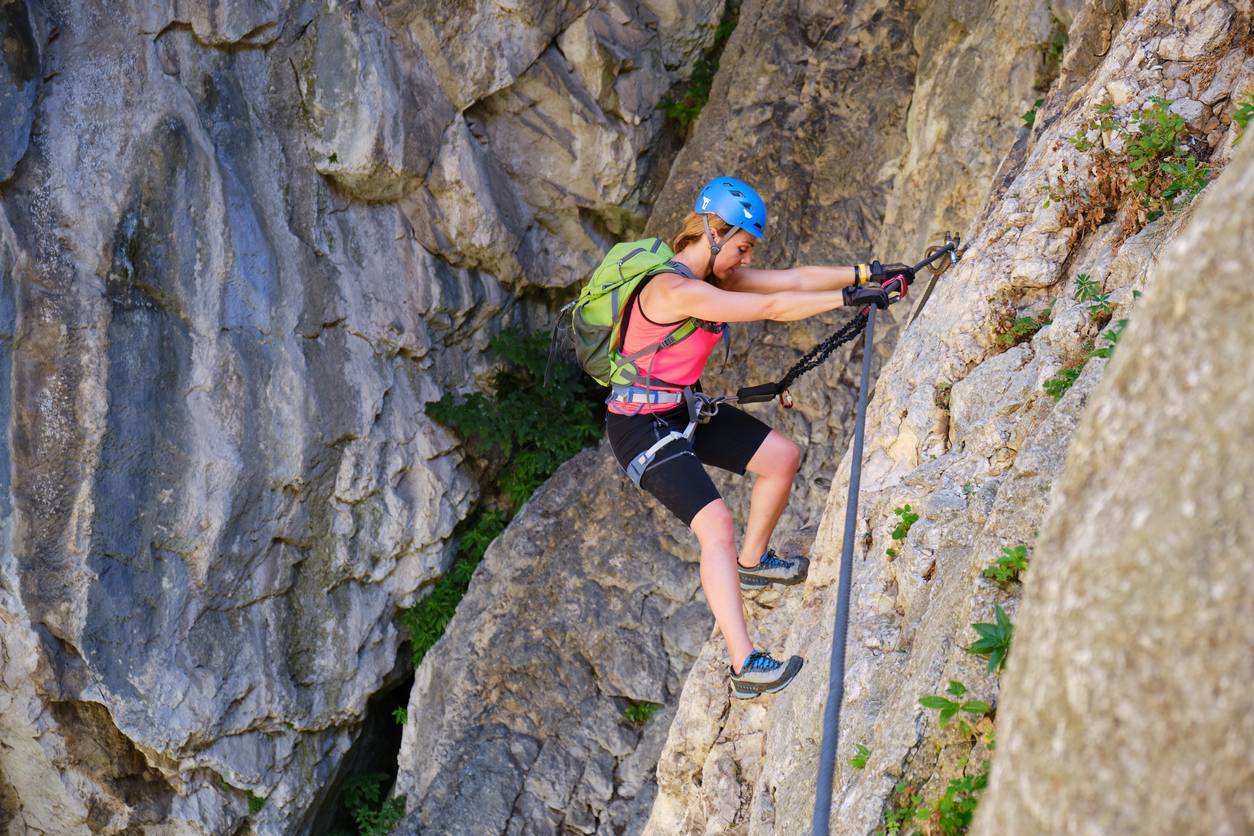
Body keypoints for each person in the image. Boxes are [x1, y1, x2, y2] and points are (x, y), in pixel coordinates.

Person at [605, 176, 912, 699]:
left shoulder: (717, 278)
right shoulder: (673, 289)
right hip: (640, 427)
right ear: (714, 233)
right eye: (743, 247)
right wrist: (849, 297)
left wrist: (870, 273)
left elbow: (791, 280)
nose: (747, 260)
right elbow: (772, 306)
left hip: (681, 409)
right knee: (715, 524)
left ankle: (753, 565)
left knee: (781, 458)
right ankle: (745, 664)